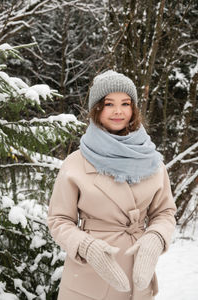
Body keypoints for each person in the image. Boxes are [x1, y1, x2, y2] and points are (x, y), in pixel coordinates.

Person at [47, 70, 177, 300]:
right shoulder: (76, 162)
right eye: (109, 104)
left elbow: (165, 212)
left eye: (125, 103)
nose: (119, 111)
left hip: (138, 279)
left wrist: (155, 238)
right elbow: (59, 220)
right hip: (88, 279)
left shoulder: (153, 161)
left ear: (133, 108)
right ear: (97, 108)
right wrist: (86, 246)